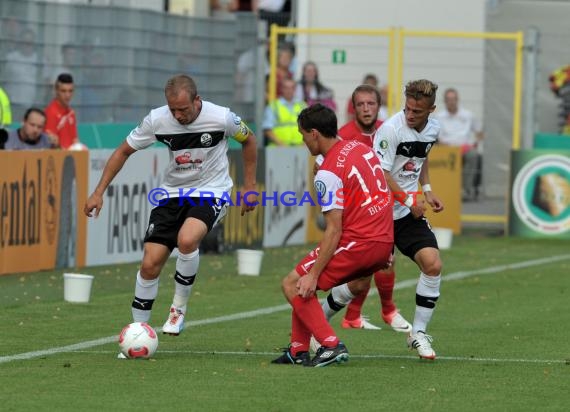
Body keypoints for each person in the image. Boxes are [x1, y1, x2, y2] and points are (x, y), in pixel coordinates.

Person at [84, 74, 258, 355]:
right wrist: (98, 191)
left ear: (197, 100)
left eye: (183, 110)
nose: (177, 116)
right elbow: (123, 151)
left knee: (187, 240)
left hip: (212, 191)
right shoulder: (157, 119)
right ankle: (138, 332)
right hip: (171, 194)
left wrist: (249, 187)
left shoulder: (222, 117)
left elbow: (249, 141)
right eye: (172, 109)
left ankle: (178, 309)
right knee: (150, 263)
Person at [317, 79, 444, 360]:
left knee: (433, 264)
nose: (410, 115)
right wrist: (410, 200)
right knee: (360, 284)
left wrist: (426, 190)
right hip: (378, 212)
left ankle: (418, 333)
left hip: (407, 214)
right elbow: (382, 175)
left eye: (417, 112)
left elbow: (421, 161)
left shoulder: (434, 129)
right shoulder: (390, 130)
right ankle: (316, 322)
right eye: (408, 109)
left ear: (431, 110)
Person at [272, 103, 394, 367]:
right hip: (383, 240)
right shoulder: (362, 148)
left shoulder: (327, 172)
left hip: (359, 242)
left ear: (314, 133)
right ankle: (298, 349)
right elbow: (383, 195)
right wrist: (388, 245)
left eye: (303, 135)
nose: (303, 141)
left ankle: (330, 344)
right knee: (302, 282)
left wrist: (314, 274)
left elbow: (334, 228)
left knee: (294, 283)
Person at [315, 84, 412, 333]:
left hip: (381, 208)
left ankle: (357, 315)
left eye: (371, 104)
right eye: (361, 104)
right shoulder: (343, 135)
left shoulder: (388, 131)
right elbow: (322, 168)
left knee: (378, 263)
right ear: (353, 108)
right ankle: (382, 311)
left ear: (378, 106)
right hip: (353, 213)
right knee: (369, 266)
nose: (366, 109)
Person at [434, 88, 484, 201]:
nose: (451, 102)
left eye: (453, 99)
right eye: (449, 99)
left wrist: (475, 143)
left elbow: (479, 132)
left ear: (457, 100)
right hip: (445, 148)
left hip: (464, 148)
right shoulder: (438, 117)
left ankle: (465, 190)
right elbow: (436, 137)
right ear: (445, 101)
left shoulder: (468, 115)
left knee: (473, 155)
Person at [262, 78, 306, 146]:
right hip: (278, 148)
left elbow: (310, 128)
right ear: (282, 89)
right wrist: (281, 145)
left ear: (294, 90)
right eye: (286, 88)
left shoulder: (302, 106)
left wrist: (305, 144)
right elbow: (267, 129)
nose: (289, 90)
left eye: (291, 88)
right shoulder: (273, 106)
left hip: (300, 148)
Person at [44, 73, 79, 149]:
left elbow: (74, 140)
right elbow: (51, 142)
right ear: (56, 91)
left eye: (70, 91)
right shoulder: (50, 112)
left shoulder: (71, 113)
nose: (67, 95)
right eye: (63, 91)